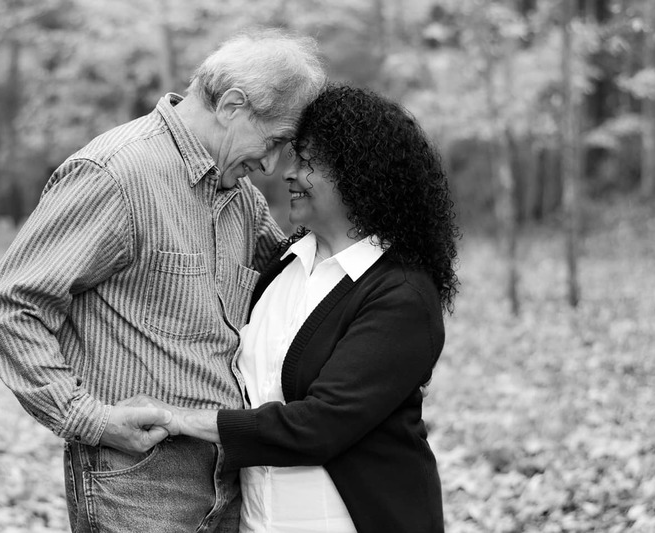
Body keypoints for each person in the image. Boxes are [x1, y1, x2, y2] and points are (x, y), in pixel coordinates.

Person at [0, 29, 326, 533]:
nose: (271, 165)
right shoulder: (116, 174)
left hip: (232, 473)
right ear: (230, 105)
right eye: (272, 142)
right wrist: (88, 418)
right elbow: (7, 305)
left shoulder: (239, 196)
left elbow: (295, 278)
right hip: (139, 481)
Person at [132, 84, 460, 532]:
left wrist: (182, 420)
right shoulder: (282, 265)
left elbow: (319, 426)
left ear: (359, 174)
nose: (287, 173)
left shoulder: (401, 294)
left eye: (307, 161)